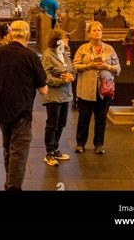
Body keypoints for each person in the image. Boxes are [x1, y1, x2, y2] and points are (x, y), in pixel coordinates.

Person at [0, 20, 48, 190]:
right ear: (27, 34)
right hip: (22, 109)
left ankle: (9, 182)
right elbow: (43, 90)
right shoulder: (31, 56)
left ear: (10, 34)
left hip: (2, 107)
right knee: (19, 151)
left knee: (8, 147)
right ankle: (13, 187)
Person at [72, 20, 121, 154]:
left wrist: (107, 67)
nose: (97, 32)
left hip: (104, 90)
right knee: (84, 118)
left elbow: (118, 68)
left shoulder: (109, 49)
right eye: (94, 30)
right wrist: (89, 66)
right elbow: (75, 66)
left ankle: (99, 144)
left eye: (99, 30)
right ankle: (80, 144)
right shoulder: (83, 49)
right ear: (89, 34)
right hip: (87, 90)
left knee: (101, 119)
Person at [41, 28, 75, 166]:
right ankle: (49, 153)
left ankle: (55, 149)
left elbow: (70, 69)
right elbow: (45, 77)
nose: (67, 40)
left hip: (66, 94)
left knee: (61, 123)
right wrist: (61, 80)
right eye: (65, 37)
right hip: (54, 96)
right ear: (58, 40)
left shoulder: (64, 54)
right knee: (52, 124)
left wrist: (71, 75)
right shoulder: (48, 55)